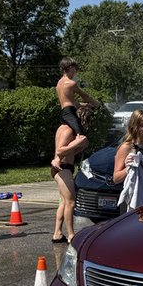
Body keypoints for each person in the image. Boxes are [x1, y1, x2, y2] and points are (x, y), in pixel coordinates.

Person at [51, 104, 93, 244]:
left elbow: (68, 151)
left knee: (64, 202)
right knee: (70, 202)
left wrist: (80, 146)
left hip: (64, 167)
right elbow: (60, 151)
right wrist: (77, 142)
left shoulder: (64, 127)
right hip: (62, 167)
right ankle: (71, 235)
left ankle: (57, 233)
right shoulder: (68, 130)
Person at [53, 57, 98, 173]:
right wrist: (95, 103)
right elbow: (85, 96)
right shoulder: (71, 83)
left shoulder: (59, 83)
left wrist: (85, 106)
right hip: (70, 114)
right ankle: (58, 159)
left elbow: (71, 103)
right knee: (82, 140)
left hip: (64, 112)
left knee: (77, 141)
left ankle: (62, 157)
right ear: (68, 68)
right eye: (74, 69)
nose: (75, 72)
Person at [112, 109, 143, 186]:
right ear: (134, 126)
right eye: (142, 125)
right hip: (134, 193)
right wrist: (130, 167)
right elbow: (116, 178)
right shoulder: (126, 147)